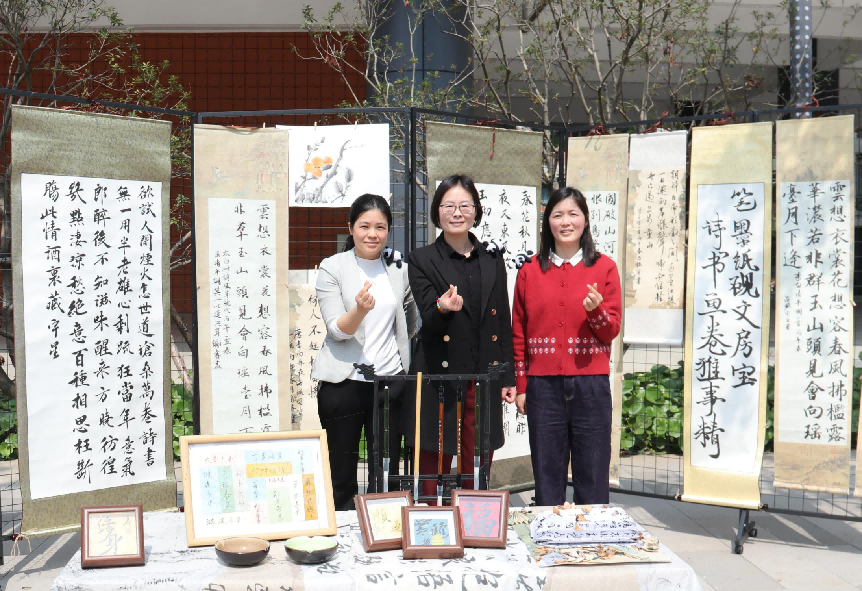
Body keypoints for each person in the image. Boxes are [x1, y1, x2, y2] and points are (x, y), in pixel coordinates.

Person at [406, 174, 516, 501]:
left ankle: (475, 518)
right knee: (434, 458)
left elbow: (502, 319)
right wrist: (443, 307)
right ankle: (430, 517)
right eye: (449, 206)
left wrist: (507, 375)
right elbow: (427, 318)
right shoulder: (421, 259)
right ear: (437, 212)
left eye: (465, 206)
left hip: (483, 374)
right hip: (439, 373)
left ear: (476, 211)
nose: (457, 213)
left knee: (478, 458)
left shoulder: (492, 257)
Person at [512, 186, 622, 506]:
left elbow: (610, 331)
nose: (565, 222)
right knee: (547, 477)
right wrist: (521, 385)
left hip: (591, 384)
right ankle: (550, 532)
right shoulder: (530, 270)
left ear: (585, 220)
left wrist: (596, 312)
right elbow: (518, 331)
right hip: (542, 387)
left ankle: (593, 534)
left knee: (593, 474)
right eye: (557, 214)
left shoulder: (604, 268)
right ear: (547, 222)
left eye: (573, 214)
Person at [312, 194, 419, 510]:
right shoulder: (333, 267)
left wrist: (440, 305)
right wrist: (359, 310)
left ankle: (382, 531)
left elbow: (410, 322)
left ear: (388, 231)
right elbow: (337, 329)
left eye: (380, 227)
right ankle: (342, 533)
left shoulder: (399, 269)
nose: (372, 234)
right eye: (364, 226)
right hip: (342, 384)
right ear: (351, 228)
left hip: (389, 382)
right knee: (340, 474)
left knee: (385, 474)